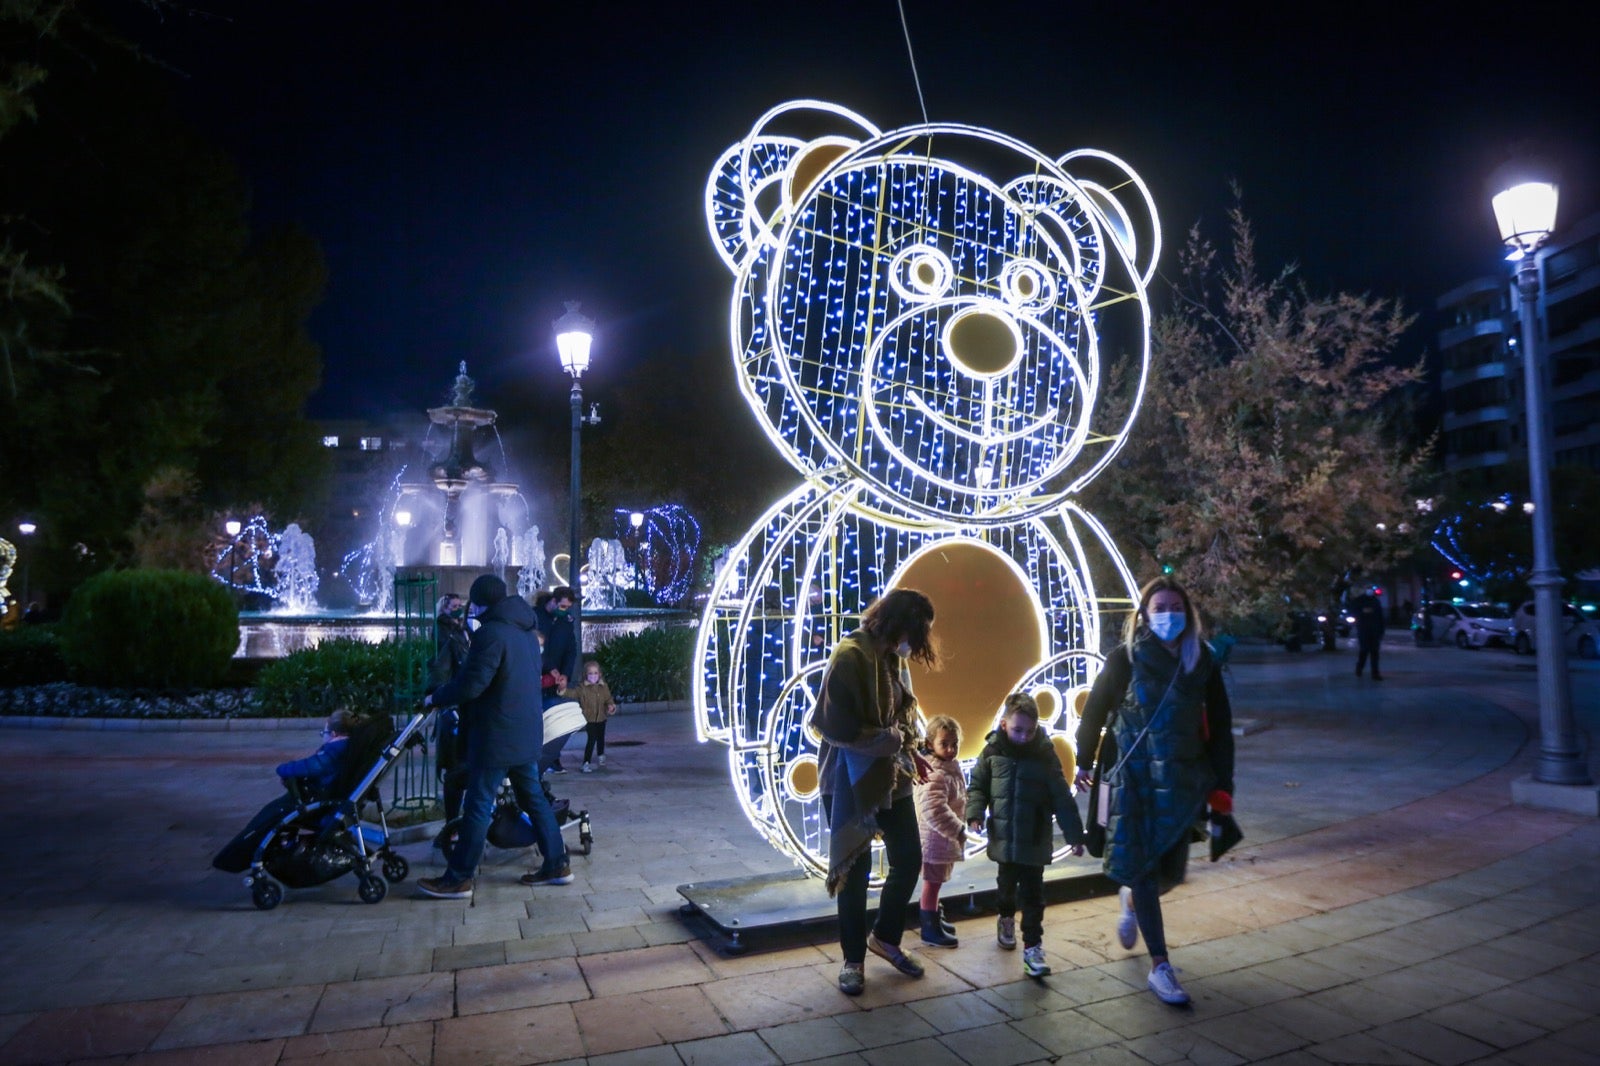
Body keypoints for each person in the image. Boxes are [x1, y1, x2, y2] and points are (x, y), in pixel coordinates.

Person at [1075, 576, 1234, 1006]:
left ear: (1188, 613)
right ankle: (1160, 966)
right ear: (1143, 614)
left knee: (1171, 872)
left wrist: (1224, 784)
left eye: (1174, 606)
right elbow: (1094, 713)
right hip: (1134, 780)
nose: (1167, 614)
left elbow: (1219, 728)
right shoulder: (1126, 657)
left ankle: (1129, 899)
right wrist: (1084, 761)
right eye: (1158, 607)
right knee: (1145, 865)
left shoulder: (1202, 662)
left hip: (1181, 780)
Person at [810, 588, 937, 997]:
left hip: (891, 777)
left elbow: (904, 716)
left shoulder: (895, 660)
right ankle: (852, 961)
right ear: (902, 624)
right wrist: (889, 741)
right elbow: (832, 726)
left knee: (908, 858)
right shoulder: (850, 656)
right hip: (846, 780)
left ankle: (884, 937)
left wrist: (910, 751)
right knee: (854, 871)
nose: (917, 644)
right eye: (919, 632)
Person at [418, 575, 571, 899]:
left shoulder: (491, 633)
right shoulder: (526, 632)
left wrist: (436, 697)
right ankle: (557, 863)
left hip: (497, 736)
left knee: (477, 805)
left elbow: (473, 683)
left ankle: (458, 877)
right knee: (534, 800)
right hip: (525, 733)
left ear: (480, 602)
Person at [965, 693, 1084, 978]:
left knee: (1033, 895)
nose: (1023, 737)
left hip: (1033, 838)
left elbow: (1061, 797)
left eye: (1029, 731)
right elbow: (978, 785)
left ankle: (1033, 946)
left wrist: (1074, 834)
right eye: (1018, 730)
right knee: (1006, 886)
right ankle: (1005, 917)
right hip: (1005, 839)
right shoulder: (993, 752)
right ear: (1004, 724)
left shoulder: (1044, 755)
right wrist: (975, 814)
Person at [214, 709, 364, 871]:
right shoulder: (350, 747)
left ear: (334, 733)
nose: (324, 736)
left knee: (268, 818)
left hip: (318, 802)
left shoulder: (335, 750)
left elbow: (312, 766)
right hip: (329, 797)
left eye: (324, 732)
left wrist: (283, 769)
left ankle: (237, 858)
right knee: (270, 814)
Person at [913, 714, 966, 949]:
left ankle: (935, 919)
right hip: (935, 840)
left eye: (954, 744)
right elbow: (934, 810)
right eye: (944, 744)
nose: (951, 749)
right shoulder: (936, 773)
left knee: (935, 883)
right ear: (930, 744)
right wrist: (958, 829)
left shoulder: (948, 769)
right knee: (932, 884)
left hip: (940, 840)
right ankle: (929, 928)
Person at [428, 593, 472, 849]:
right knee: (455, 771)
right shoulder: (445, 634)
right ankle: (452, 826)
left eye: (460, 607)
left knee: (461, 771)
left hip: (463, 709)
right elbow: (440, 670)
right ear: (444, 608)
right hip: (454, 711)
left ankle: (456, 826)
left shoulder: (463, 630)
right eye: (454, 607)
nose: (458, 611)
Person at [537, 586, 580, 774]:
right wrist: (548, 667)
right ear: (553, 601)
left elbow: (571, 650)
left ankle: (553, 759)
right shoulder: (535, 617)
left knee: (554, 719)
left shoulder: (566, 621)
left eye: (567, 607)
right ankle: (539, 758)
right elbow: (534, 647)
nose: (564, 610)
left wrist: (565, 674)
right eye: (562, 606)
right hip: (537, 677)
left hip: (554, 680)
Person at [561, 659, 616, 773]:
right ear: (586, 674)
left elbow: (608, 699)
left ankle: (601, 756)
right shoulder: (582, 688)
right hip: (589, 719)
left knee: (601, 738)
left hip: (601, 718)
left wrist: (611, 706)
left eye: (595, 673)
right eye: (590, 673)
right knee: (591, 740)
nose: (593, 676)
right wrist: (562, 690)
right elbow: (572, 693)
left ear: (599, 674)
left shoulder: (603, 687)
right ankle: (586, 762)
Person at [1350, 584, 1386, 680]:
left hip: (1374, 631)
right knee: (1364, 651)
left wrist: (1381, 631)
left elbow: (1380, 617)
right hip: (1364, 630)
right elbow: (1354, 611)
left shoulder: (1375, 601)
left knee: (1375, 652)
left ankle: (1375, 673)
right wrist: (1362, 612)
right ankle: (1359, 668)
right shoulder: (1359, 600)